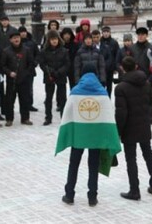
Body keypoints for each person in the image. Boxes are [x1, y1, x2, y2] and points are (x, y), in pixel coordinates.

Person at [56, 63, 121, 207]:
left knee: (74, 163)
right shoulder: (103, 93)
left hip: (78, 135)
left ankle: (69, 194)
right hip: (96, 136)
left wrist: (68, 132)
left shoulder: (75, 91)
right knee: (93, 165)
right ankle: (92, 196)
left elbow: (67, 114)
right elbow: (108, 116)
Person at [115, 57, 152, 200]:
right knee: (148, 154)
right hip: (144, 123)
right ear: (136, 66)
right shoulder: (146, 83)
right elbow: (151, 101)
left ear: (122, 68)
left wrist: (118, 130)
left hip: (129, 127)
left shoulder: (121, 87)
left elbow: (121, 113)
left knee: (131, 158)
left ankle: (134, 190)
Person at [0, 31, 34, 126]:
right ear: (10, 40)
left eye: (18, 37)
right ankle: (9, 119)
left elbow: (31, 63)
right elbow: (3, 65)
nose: (16, 39)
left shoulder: (26, 50)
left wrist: (26, 73)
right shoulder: (6, 51)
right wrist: (9, 72)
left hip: (24, 80)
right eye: (14, 38)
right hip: (12, 80)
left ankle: (25, 118)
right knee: (10, 100)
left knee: (24, 100)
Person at [38, 30, 70, 125]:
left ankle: (63, 117)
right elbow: (42, 64)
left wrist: (60, 71)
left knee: (62, 98)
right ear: (49, 41)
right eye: (52, 39)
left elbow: (67, 63)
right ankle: (48, 117)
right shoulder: (44, 51)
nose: (54, 41)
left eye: (55, 39)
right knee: (48, 98)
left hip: (61, 76)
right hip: (49, 76)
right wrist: (51, 72)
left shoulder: (64, 50)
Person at [131, 27, 152, 122]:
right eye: (139, 35)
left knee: (149, 97)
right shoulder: (132, 48)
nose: (140, 37)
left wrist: (151, 78)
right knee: (136, 98)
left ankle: (151, 117)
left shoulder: (151, 48)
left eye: (143, 35)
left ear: (146, 36)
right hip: (135, 77)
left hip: (148, 76)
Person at [19, 26, 39, 112]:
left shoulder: (32, 42)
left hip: (30, 69)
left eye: (24, 31)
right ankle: (23, 104)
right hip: (19, 69)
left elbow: (37, 54)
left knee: (29, 87)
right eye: (21, 32)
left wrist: (35, 63)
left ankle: (30, 104)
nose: (23, 33)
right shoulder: (17, 42)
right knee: (21, 88)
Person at [99, 26, 120, 97]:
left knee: (109, 86)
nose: (106, 34)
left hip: (110, 68)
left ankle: (109, 98)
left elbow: (117, 55)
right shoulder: (99, 42)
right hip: (101, 68)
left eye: (107, 32)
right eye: (104, 32)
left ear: (110, 33)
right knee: (101, 85)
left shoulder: (114, 42)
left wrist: (115, 68)